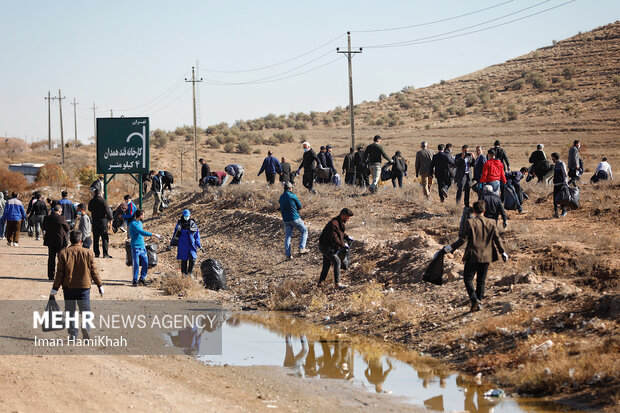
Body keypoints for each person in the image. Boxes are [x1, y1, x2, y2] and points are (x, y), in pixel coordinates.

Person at [443, 200, 507, 312]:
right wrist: (503, 252)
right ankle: (478, 301)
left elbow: (463, 239)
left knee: (468, 279)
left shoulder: (470, 222)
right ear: (484, 210)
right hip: (487, 256)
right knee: (481, 281)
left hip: (473, 256)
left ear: (474, 211)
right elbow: (497, 239)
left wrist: (451, 248)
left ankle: (474, 300)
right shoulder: (492, 222)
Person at [50, 230, 103, 339]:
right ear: (81, 240)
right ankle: (85, 329)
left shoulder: (63, 253)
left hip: (68, 287)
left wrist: (55, 288)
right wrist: (99, 285)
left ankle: (73, 334)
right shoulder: (88, 253)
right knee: (86, 310)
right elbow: (94, 271)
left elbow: (60, 273)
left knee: (70, 311)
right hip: (84, 287)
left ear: (70, 240)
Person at [318, 208, 354, 288]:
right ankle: (337, 284)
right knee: (337, 261)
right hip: (325, 246)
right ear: (343, 215)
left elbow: (340, 233)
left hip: (327, 246)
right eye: (348, 217)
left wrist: (347, 237)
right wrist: (343, 245)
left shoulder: (339, 222)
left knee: (326, 265)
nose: (349, 219)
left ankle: (320, 284)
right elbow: (334, 238)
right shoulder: (333, 223)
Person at [129, 209, 161, 286]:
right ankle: (135, 280)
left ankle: (142, 278)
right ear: (140, 216)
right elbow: (141, 232)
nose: (144, 216)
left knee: (145, 263)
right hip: (135, 247)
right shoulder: (133, 224)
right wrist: (154, 234)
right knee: (136, 264)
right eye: (143, 215)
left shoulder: (140, 222)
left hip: (142, 246)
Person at [278, 182, 309, 260]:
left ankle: (288, 255)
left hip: (285, 219)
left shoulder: (281, 197)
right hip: (295, 218)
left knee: (288, 236)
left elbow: (280, 207)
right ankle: (302, 248)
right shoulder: (292, 196)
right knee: (304, 231)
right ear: (290, 188)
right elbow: (299, 206)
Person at [171, 209, 201, 276]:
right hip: (183, 244)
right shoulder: (179, 224)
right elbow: (175, 234)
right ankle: (184, 275)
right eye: (185, 216)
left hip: (191, 244)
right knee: (184, 260)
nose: (186, 217)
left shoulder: (193, 224)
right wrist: (172, 243)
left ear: (190, 216)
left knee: (193, 258)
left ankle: (190, 273)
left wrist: (199, 245)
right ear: (183, 216)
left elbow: (197, 235)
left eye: (188, 216)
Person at [43, 205, 69, 280]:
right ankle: (61, 275)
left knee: (51, 258)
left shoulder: (47, 218)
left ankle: (51, 275)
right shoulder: (61, 218)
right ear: (60, 211)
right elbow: (67, 228)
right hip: (60, 241)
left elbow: (44, 227)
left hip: (50, 240)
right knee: (61, 259)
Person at [88, 189, 113, 258]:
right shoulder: (103, 200)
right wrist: (110, 218)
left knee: (96, 238)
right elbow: (107, 210)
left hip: (95, 221)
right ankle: (105, 254)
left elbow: (89, 209)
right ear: (100, 194)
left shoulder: (92, 201)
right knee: (104, 237)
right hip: (103, 221)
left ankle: (96, 253)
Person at [552, 152, 568, 218]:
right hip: (556, 184)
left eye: (552, 158)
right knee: (555, 199)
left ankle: (564, 211)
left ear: (555, 158)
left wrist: (565, 183)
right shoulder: (555, 165)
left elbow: (565, 174)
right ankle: (556, 212)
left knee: (561, 198)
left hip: (561, 184)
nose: (552, 159)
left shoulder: (562, 164)